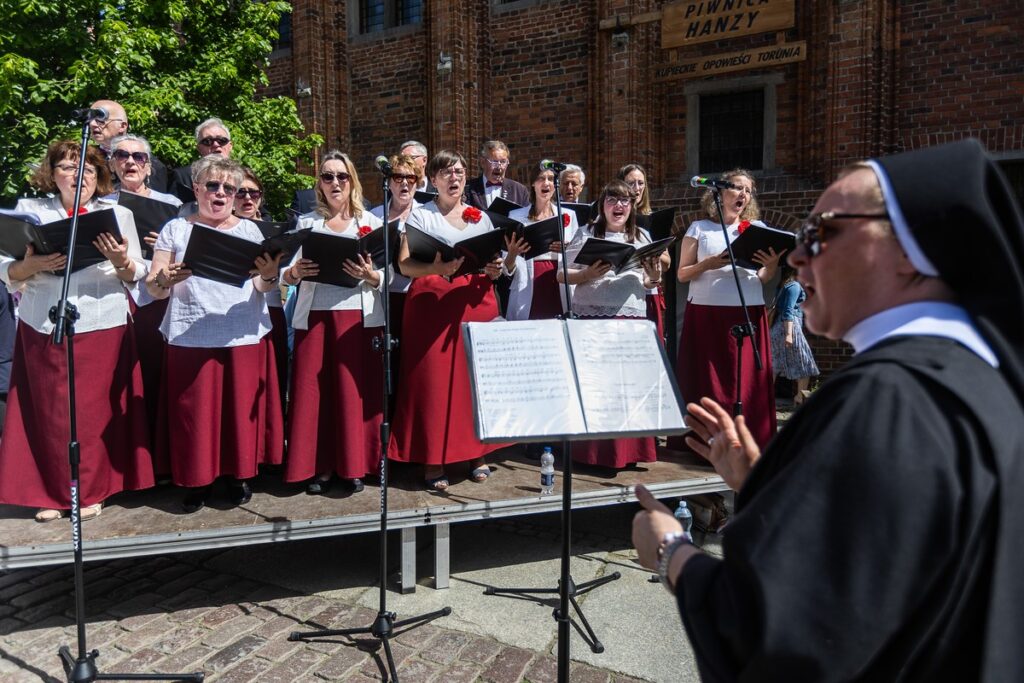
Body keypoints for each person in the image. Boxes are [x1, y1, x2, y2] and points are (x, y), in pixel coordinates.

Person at [632, 139, 1024, 682]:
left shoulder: (886, 400)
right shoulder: (970, 376)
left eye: (820, 233)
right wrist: (764, 485)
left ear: (909, 251)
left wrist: (669, 551)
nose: (795, 256)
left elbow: (779, 637)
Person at [0, 141, 152, 522]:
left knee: (92, 411)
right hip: (42, 321)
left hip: (101, 319)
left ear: (98, 177)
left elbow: (138, 273)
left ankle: (89, 490)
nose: (77, 174)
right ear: (52, 174)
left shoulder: (116, 212)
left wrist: (121, 260)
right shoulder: (31, 212)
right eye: (67, 167)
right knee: (48, 411)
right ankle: (51, 492)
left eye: (86, 168)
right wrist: (30, 266)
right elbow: (6, 271)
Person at [147, 156, 284, 512]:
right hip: (191, 331)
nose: (220, 193)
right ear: (197, 189)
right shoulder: (176, 229)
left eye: (229, 188)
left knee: (238, 411)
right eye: (212, 185)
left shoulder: (251, 231)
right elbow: (155, 285)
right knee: (195, 413)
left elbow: (262, 284)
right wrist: (166, 279)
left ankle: (237, 476)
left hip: (240, 330)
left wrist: (270, 275)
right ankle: (197, 480)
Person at [388, 150, 522, 490]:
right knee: (433, 384)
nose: (454, 177)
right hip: (433, 303)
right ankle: (434, 459)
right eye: (447, 172)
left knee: (472, 381)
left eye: (460, 171)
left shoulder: (481, 218)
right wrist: (437, 267)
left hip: (476, 301)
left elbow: (495, 264)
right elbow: (404, 265)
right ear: (433, 179)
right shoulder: (421, 216)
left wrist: (495, 268)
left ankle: (477, 453)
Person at [281, 151, 385, 494]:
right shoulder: (306, 223)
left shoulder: (370, 222)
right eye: (328, 177)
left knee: (352, 393)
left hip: (358, 318)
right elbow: (286, 273)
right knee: (316, 393)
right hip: (316, 317)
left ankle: (354, 464)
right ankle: (320, 466)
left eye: (342, 176)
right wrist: (294, 272)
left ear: (352, 180)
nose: (335, 183)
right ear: (319, 184)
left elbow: (388, 275)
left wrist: (372, 276)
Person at [556, 179, 663, 468]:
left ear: (633, 205)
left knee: (626, 387)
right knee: (598, 387)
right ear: (602, 205)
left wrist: (653, 276)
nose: (619, 206)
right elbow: (562, 275)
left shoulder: (641, 236)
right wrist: (588, 273)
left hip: (630, 316)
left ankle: (628, 454)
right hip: (594, 316)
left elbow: (650, 281)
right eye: (612, 200)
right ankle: (590, 454)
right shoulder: (586, 233)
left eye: (625, 201)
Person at [674, 169, 782, 449]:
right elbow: (682, 274)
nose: (743, 195)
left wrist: (770, 265)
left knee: (745, 382)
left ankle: (749, 441)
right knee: (710, 381)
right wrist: (708, 264)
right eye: (737, 188)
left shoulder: (756, 228)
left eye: (748, 190)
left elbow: (762, 278)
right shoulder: (699, 227)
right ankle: (707, 442)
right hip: (708, 314)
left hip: (747, 310)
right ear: (719, 193)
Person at [108, 133, 183, 437]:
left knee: (157, 372)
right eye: (122, 156)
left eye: (138, 157)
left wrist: (164, 246)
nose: (130, 162)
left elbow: (188, 254)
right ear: (112, 164)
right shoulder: (103, 204)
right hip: (117, 295)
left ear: (149, 167)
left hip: (159, 297)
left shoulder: (172, 205)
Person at [234, 167, 289, 408]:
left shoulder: (275, 232)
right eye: (241, 192)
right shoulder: (223, 229)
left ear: (261, 198)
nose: (247, 198)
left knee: (272, 385)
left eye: (253, 193)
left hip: (271, 310)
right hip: (235, 314)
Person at [507, 161, 579, 320]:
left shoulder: (569, 215)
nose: (546, 183)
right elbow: (508, 268)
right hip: (528, 284)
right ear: (533, 183)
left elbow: (577, 258)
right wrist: (513, 253)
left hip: (558, 282)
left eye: (551, 179)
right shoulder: (515, 216)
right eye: (541, 178)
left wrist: (568, 249)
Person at [370, 153, 422, 343]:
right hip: (381, 298)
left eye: (411, 178)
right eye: (398, 177)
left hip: (414, 297)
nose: (405, 183)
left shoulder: (427, 214)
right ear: (389, 183)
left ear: (418, 182)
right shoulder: (374, 216)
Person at [619, 163, 668, 341]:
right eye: (631, 183)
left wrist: (651, 249)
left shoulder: (652, 220)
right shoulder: (611, 216)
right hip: (620, 292)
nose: (637, 188)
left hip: (648, 292)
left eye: (641, 183)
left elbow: (667, 264)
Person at [89, 99, 169, 192]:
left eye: (101, 119)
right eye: (90, 119)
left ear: (122, 126)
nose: (92, 124)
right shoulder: (85, 158)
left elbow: (156, 203)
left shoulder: (151, 164)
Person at [768, 263, 818, 405]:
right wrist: (789, 334)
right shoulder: (794, 286)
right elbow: (788, 310)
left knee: (774, 364)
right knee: (804, 363)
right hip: (788, 326)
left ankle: (765, 397)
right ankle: (799, 397)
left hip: (779, 327)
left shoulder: (784, 285)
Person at [168, 117, 233, 205]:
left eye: (221, 140)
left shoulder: (245, 176)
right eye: (207, 141)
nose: (215, 144)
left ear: (230, 146)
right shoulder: (183, 177)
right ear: (199, 149)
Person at [464, 139, 529, 210]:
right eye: (494, 161)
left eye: (503, 162)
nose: (499, 166)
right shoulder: (468, 188)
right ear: (482, 162)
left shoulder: (519, 190)